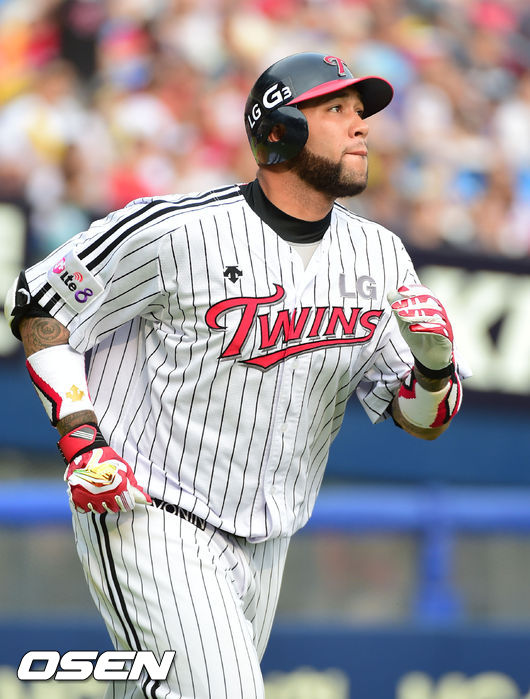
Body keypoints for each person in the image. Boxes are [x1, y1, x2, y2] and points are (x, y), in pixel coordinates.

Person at [5, 52, 466, 698]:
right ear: (279, 129)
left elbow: (419, 420)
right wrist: (82, 437)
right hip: (148, 510)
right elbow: (41, 305)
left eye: (361, 111)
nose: (360, 125)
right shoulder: (179, 230)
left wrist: (435, 366)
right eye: (336, 109)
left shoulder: (379, 253)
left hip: (267, 538)